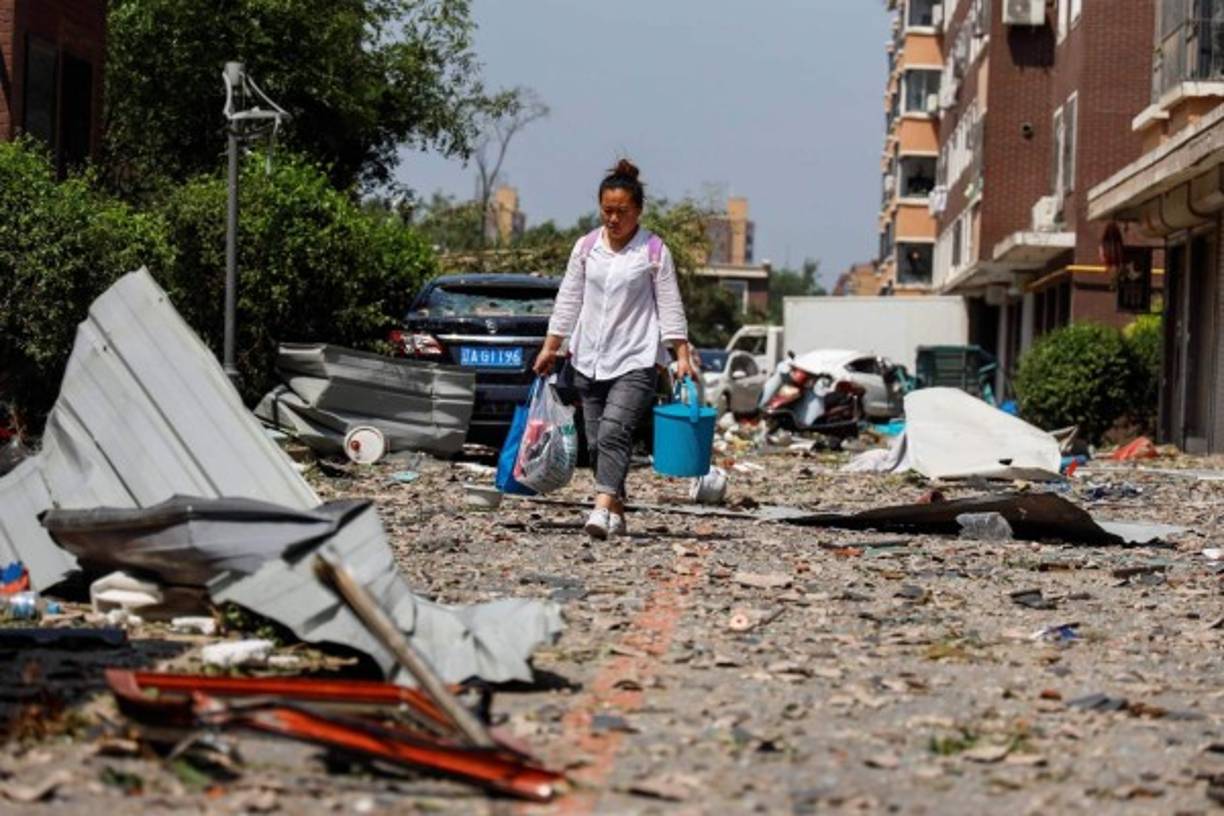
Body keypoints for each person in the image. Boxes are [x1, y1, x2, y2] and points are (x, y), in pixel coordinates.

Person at [533, 159, 693, 540]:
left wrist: (681, 355)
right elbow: (568, 299)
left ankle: (601, 509)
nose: (613, 219)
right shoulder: (586, 247)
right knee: (596, 442)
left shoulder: (653, 251)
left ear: (638, 210)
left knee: (614, 432)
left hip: (636, 358)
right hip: (588, 358)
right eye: (607, 210)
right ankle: (617, 511)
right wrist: (551, 347)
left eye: (621, 211)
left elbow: (670, 305)